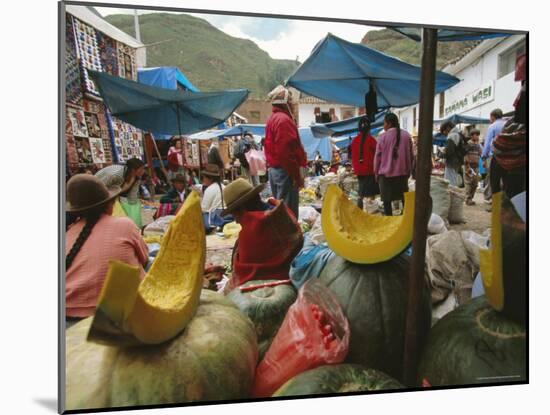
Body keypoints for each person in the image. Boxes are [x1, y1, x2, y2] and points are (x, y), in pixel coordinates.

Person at [65, 174, 148, 326]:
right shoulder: (125, 225)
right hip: (117, 313)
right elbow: (144, 258)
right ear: (108, 204)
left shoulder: (67, 234)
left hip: (67, 315)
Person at [220, 178, 303, 289]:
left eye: (235, 215)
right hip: (297, 272)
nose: (236, 221)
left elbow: (243, 274)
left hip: (279, 283)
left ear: (242, 209)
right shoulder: (282, 210)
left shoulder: (251, 232)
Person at [264, 85, 308, 219]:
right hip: (285, 172)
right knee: (288, 212)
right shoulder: (283, 121)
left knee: (280, 208)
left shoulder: (273, 119)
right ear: (286, 103)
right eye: (291, 102)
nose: (293, 105)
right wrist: (296, 176)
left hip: (276, 171)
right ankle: (288, 239)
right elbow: (286, 153)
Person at [490, 54, 527, 199]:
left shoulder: (508, 128)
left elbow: (493, 148)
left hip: (514, 178)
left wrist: (495, 194)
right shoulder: (511, 126)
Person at [374, 112, 413, 216]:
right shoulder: (407, 135)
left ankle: (390, 224)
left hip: (386, 177)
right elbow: (411, 156)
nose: (384, 126)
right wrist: (408, 171)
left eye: (384, 123)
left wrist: (376, 173)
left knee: (387, 203)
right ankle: (405, 222)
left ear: (389, 123)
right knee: (404, 200)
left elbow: (377, 157)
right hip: (402, 175)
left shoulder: (382, 137)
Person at [95, 158, 146, 228]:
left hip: (113, 192)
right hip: (98, 189)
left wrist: (133, 210)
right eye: (141, 169)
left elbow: (133, 195)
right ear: (133, 170)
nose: (143, 171)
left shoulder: (137, 177)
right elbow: (100, 188)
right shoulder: (115, 174)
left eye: (144, 169)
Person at [351, 117, 379, 210]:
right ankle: (369, 210)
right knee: (370, 193)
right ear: (369, 128)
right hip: (369, 170)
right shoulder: (371, 140)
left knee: (362, 190)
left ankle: (361, 209)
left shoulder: (354, 141)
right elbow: (378, 154)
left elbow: (352, 156)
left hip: (359, 170)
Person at [481, 108, 507, 201]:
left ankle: (496, 208)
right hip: (510, 158)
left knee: (494, 183)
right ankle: (506, 207)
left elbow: (487, 144)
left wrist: (484, 157)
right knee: (506, 183)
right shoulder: (507, 124)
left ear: (493, 116)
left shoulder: (493, 126)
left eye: (490, 117)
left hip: (496, 157)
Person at [200, 164, 228, 231]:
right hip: (226, 215)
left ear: (210, 178)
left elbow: (204, 209)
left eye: (204, 177)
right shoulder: (225, 187)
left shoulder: (209, 189)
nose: (203, 179)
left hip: (215, 217)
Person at [441, 122, 465, 187]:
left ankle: (451, 196)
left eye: (444, 131)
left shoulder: (452, 136)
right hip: (457, 162)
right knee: (453, 181)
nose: (445, 134)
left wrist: (442, 153)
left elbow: (449, 151)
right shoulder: (458, 134)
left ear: (448, 128)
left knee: (450, 183)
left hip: (451, 162)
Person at [463, 129, 483, 205]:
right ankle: (468, 199)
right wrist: (467, 165)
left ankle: (471, 198)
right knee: (468, 182)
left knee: (475, 183)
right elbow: (465, 154)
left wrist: (483, 161)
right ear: (471, 136)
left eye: (478, 135)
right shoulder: (468, 144)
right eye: (476, 135)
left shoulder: (478, 144)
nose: (477, 136)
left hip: (476, 166)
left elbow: (481, 154)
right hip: (468, 166)